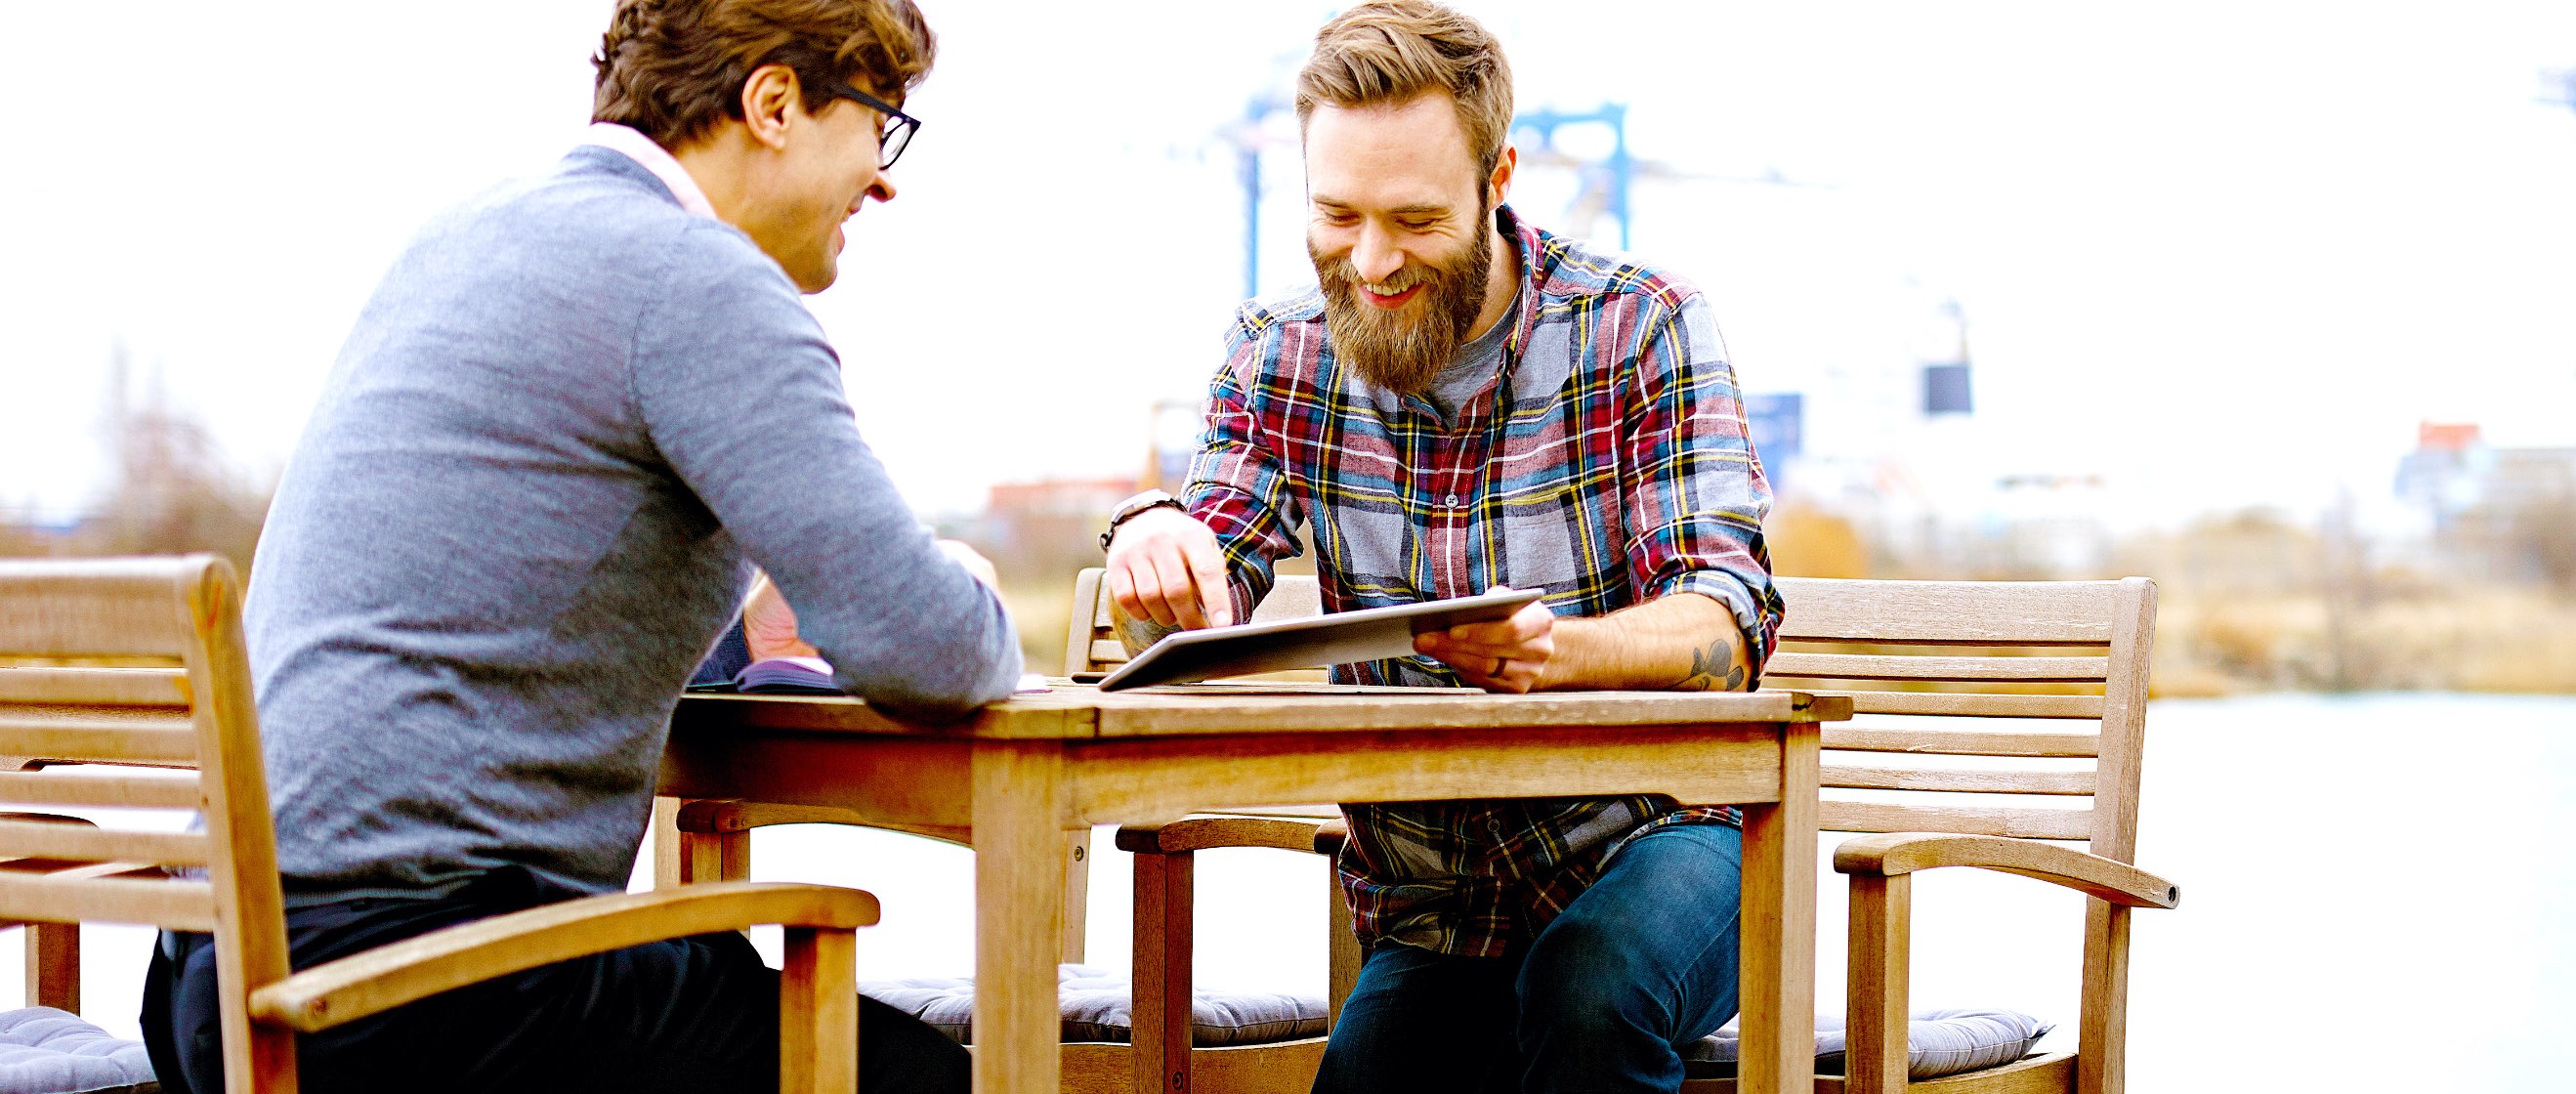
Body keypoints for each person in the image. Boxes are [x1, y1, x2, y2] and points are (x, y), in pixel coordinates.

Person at [139, 2, 1013, 1091]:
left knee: (708, 984)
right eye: (880, 123)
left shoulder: (471, 233)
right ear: (775, 103)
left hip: (212, 974)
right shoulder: (698, 279)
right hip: (400, 990)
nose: (884, 180)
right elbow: (924, 646)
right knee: (916, 1079)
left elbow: (497, 594)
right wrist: (967, 589)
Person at [1098, 4, 1784, 1091]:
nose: (1371, 261)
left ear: (1498, 175)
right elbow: (1198, 590)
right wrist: (1158, 539)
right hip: (1441, 903)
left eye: (1414, 219)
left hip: (1671, 835)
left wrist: (1559, 653)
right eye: (1337, 215)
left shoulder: (1641, 325)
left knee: (1586, 993)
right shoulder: (1275, 358)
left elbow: (1728, 618)